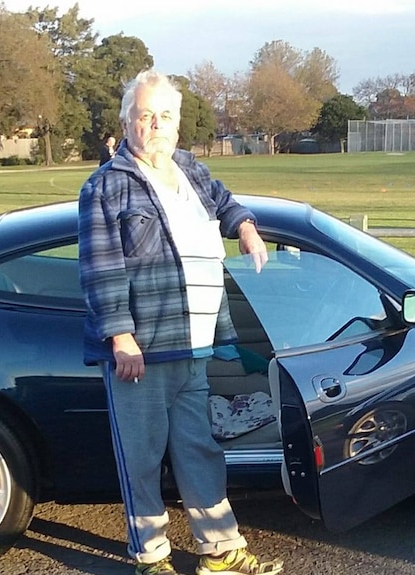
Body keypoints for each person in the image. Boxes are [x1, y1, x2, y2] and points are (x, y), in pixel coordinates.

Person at [78, 69, 282, 575]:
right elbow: (101, 270)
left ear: (177, 123)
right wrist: (121, 338)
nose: (156, 125)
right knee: (142, 459)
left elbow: (226, 202)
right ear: (127, 122)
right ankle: (150, 556)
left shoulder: (190, 169)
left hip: (195, 343)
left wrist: (247, 230)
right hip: (140, 352)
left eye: (165, 115)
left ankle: (219, 550)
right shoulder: (106, 186)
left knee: (199, 451)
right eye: (145, 115)